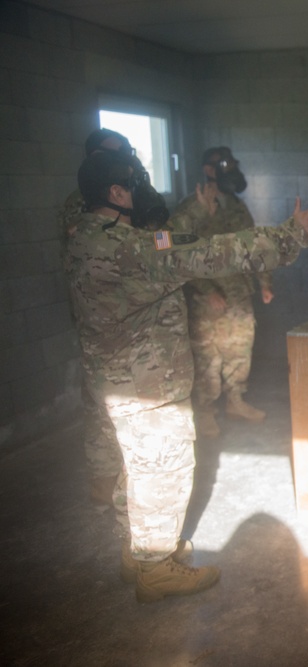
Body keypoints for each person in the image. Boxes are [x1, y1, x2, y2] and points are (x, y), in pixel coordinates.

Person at [66, 149, 308, 602]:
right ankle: (156, 568)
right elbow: (209, 253)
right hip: (146, 384)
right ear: (115, 193)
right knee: (162, 469)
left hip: (116, 380)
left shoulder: (85, 236)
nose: (140, 193)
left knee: (135, 468)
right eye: (132, 185)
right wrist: (293, 233)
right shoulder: (129, 250)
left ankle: (139, 551)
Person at [171, 147, 270, 438]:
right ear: (209, 170)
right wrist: (204, 291)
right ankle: (204, 412)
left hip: (239, 295)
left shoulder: (238, 207)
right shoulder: (192, 209)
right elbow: (179, 256)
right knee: (208, 359)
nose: (231, 170)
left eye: (233, 164)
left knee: (240, 353)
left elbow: (254, 245)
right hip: (209, 301)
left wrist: (265, 282)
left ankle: (236, 402)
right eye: (224, 165)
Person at [58, 129, 133, 511]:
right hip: (99, 315)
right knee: (100, 404)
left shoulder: (130, 196)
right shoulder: (81, 203)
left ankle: (118, 479)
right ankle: (103, 481)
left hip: (127, 316)